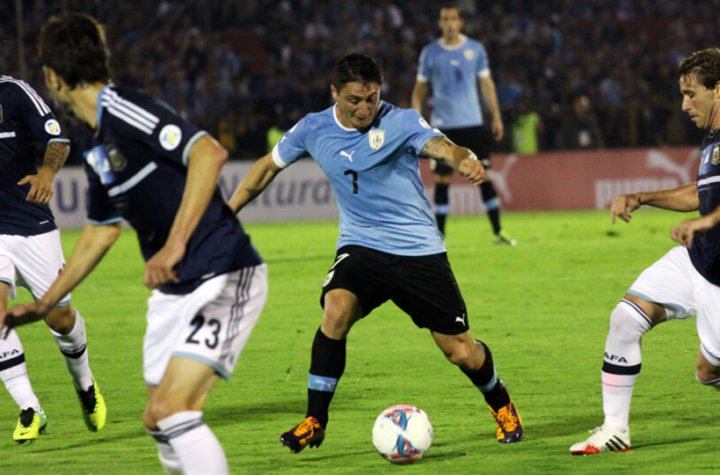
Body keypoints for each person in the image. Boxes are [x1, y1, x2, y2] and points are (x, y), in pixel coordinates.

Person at [1, 14, 267, 474]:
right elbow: (101, 230)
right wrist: (44, 304)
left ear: (55, 78)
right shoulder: (97, 144)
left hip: (221, 270)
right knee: (157, 419)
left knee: (173, 411)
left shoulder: (123, 108)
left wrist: (175, 244)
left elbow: (208, 153)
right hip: (174, 291)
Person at [228, 52, 523, 453]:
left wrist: (462, 159)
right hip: (361, 245)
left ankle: (500, 401)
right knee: (335, 311)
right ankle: (315, 420)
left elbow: (441, 146)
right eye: (355, 100)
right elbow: (266, 168)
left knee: (460, 352)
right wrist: (225, 214)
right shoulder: (313, 128)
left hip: (416, 249)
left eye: (372, 98)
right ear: (334, 93)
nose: (365, 108)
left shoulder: (400, 121)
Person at [570, 48, 720, 455]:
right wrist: (644, 197)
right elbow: (701, 192)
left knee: (707, 371)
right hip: (698, 258)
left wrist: (705, 222)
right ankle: (615, 428)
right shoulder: (712, 137)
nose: (684, 104)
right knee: (625, 318)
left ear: (718, 89)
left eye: (691, 94)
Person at [0, 71, 105, 443]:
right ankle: (30, 409)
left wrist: (46, 173)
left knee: (60, 319)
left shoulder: (14, 93)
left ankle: (85, 382)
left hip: (30, 223)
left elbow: (57, 139)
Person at [411, 4, 514, 244]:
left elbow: (487, 84)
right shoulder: (430, 53)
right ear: (440, 23)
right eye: (445, 19)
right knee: (443, 180)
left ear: (460, 22)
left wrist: (496, 116)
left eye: (453, 19)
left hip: (472, 124)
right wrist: (415, 121)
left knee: (483, 175)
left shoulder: (475, 49)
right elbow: (419, 90)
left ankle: (498, 231)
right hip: (443, 127)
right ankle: (440, 236)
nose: (449, 23)